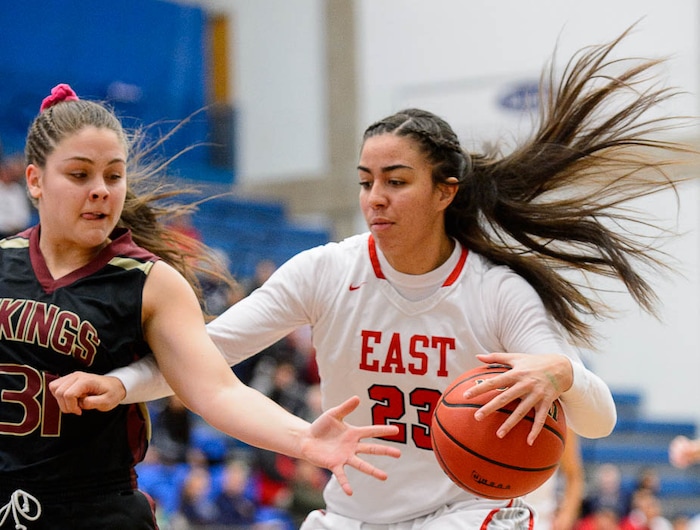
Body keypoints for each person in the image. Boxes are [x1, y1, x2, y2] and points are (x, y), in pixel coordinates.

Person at [50, 27, 695, 529]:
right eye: (364, 182)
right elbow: (204, 358)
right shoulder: (328, 271)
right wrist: (119, 383)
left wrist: (564, 373)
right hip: (353, 511)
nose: (375, 198)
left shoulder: (496, 290)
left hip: (469, 511)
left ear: (445, 192)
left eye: (395, 182)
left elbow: (600, 420)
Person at [0, 83, 401, 530]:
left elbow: (217, 391)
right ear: (34, 180)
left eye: (113, 176)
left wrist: (303, 438)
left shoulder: (152, 282)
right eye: (79, 175)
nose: (100, 190)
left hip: (95, 512)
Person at [525, 428, 585, 529]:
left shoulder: (560, 419)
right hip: (494, 515)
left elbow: (574, 476)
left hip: (540, 520)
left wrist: (567, 515)